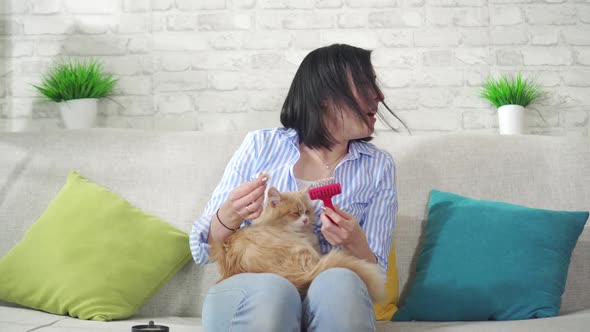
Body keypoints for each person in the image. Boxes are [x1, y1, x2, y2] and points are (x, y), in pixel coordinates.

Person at [190, 44, 404, 332]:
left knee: (340, 281)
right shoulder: (260, 145)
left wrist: (354, 242)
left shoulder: (377, 166)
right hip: (255, 289)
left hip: (329, 297)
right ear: (326, 97)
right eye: (366, 84)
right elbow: (202, 251)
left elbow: (375, 274)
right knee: (274, 291)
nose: (378, 95)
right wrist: (228, 216)